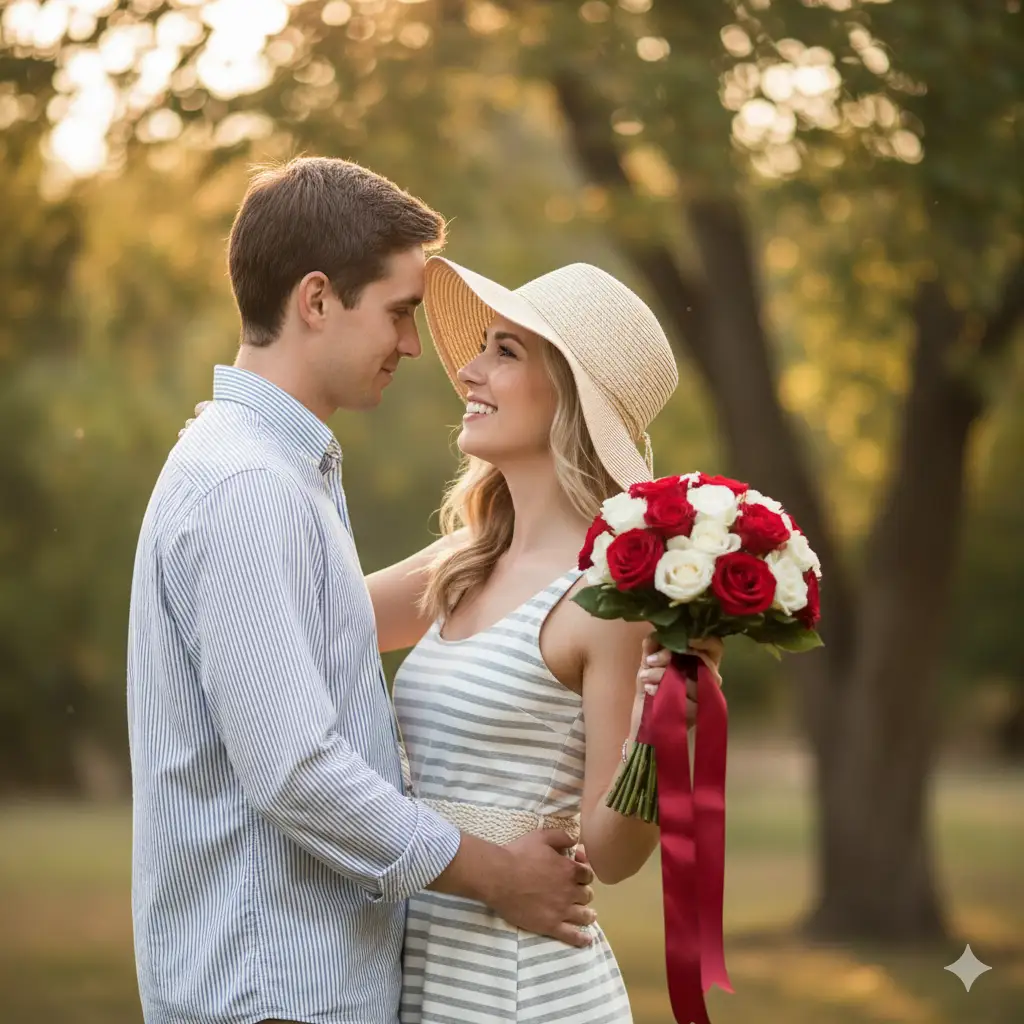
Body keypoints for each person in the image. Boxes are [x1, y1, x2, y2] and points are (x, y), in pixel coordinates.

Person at [127, 157, 599, 1024]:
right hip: (275, 993)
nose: (416, 347)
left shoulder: (281, 472)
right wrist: (494, 873)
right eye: (400, 313)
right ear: (316, 301)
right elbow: (296, 771)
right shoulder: (250, 488)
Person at [363, 256, 724, 1022]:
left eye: (504, 352)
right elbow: (317, 618)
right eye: (480, 347)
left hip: (522, 987)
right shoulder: (461, 559)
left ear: (571, 398)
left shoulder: (608, 595)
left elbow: (615, 853)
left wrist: (652, 743)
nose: (467, 371)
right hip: (423, 964)